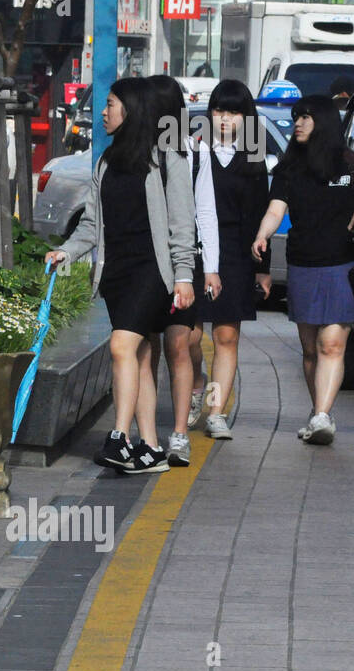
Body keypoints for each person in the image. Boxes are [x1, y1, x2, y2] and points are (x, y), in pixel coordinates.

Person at [45, 77, 196, 473]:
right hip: (117, 270)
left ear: (130, 109)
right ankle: (148, 449)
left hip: (153, 272)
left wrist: (184, 276)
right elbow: (91, 225)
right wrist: (67, 252)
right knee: (141, 355)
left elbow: (183, 225)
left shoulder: (168, 159)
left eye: (110, 104)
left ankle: (118, 436)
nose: (104, 112)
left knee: (120, 346)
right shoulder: (106, 161)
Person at [252, 95, 354, 445]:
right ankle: (317, 411)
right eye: (296, 118)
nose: (298, 124)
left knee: (332, 344)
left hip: (343, 265)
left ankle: (323, 415)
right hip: (303, 265)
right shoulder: (289, 168)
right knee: (310, 350)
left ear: (323, 122)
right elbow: (276, 210)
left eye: (305, 118)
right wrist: (263, 233)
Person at [186, 80, 272, 441]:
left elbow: (260, 216)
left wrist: (263, 270)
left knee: (226, 336)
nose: (225, 118)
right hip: (194, 251)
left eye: (233, 112)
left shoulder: (253, 159)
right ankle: (194, 383)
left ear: (245, 117)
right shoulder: (193, 151)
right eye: (219, 110)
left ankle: (216, 411)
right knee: (187, 337)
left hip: (236, 253)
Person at [145, 74, 208, 467]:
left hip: (183, 263)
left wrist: (200, 271)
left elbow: (203, 215)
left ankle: (179, 434)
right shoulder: (135, 150)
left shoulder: (188, 152)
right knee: (145, 349)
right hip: (147, 265)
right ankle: (147, 433)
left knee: (177, 346)